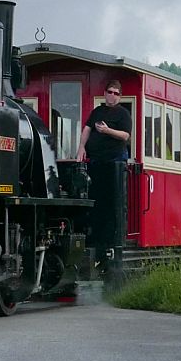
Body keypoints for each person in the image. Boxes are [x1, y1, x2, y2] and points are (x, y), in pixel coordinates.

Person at [78, 80, 133, 253]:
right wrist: (81, 148)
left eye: (116, 93)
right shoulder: (97, 111)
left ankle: (112, 241)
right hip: (96, 162)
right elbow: (87, 129)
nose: (112, 95)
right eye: (110, 92)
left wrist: (107, 131)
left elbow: (125, 136)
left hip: (114, 163)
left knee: (112, 204)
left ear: (120, 96)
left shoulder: (123, 114)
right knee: (96, 202)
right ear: (105, 93)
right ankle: (94, 239)